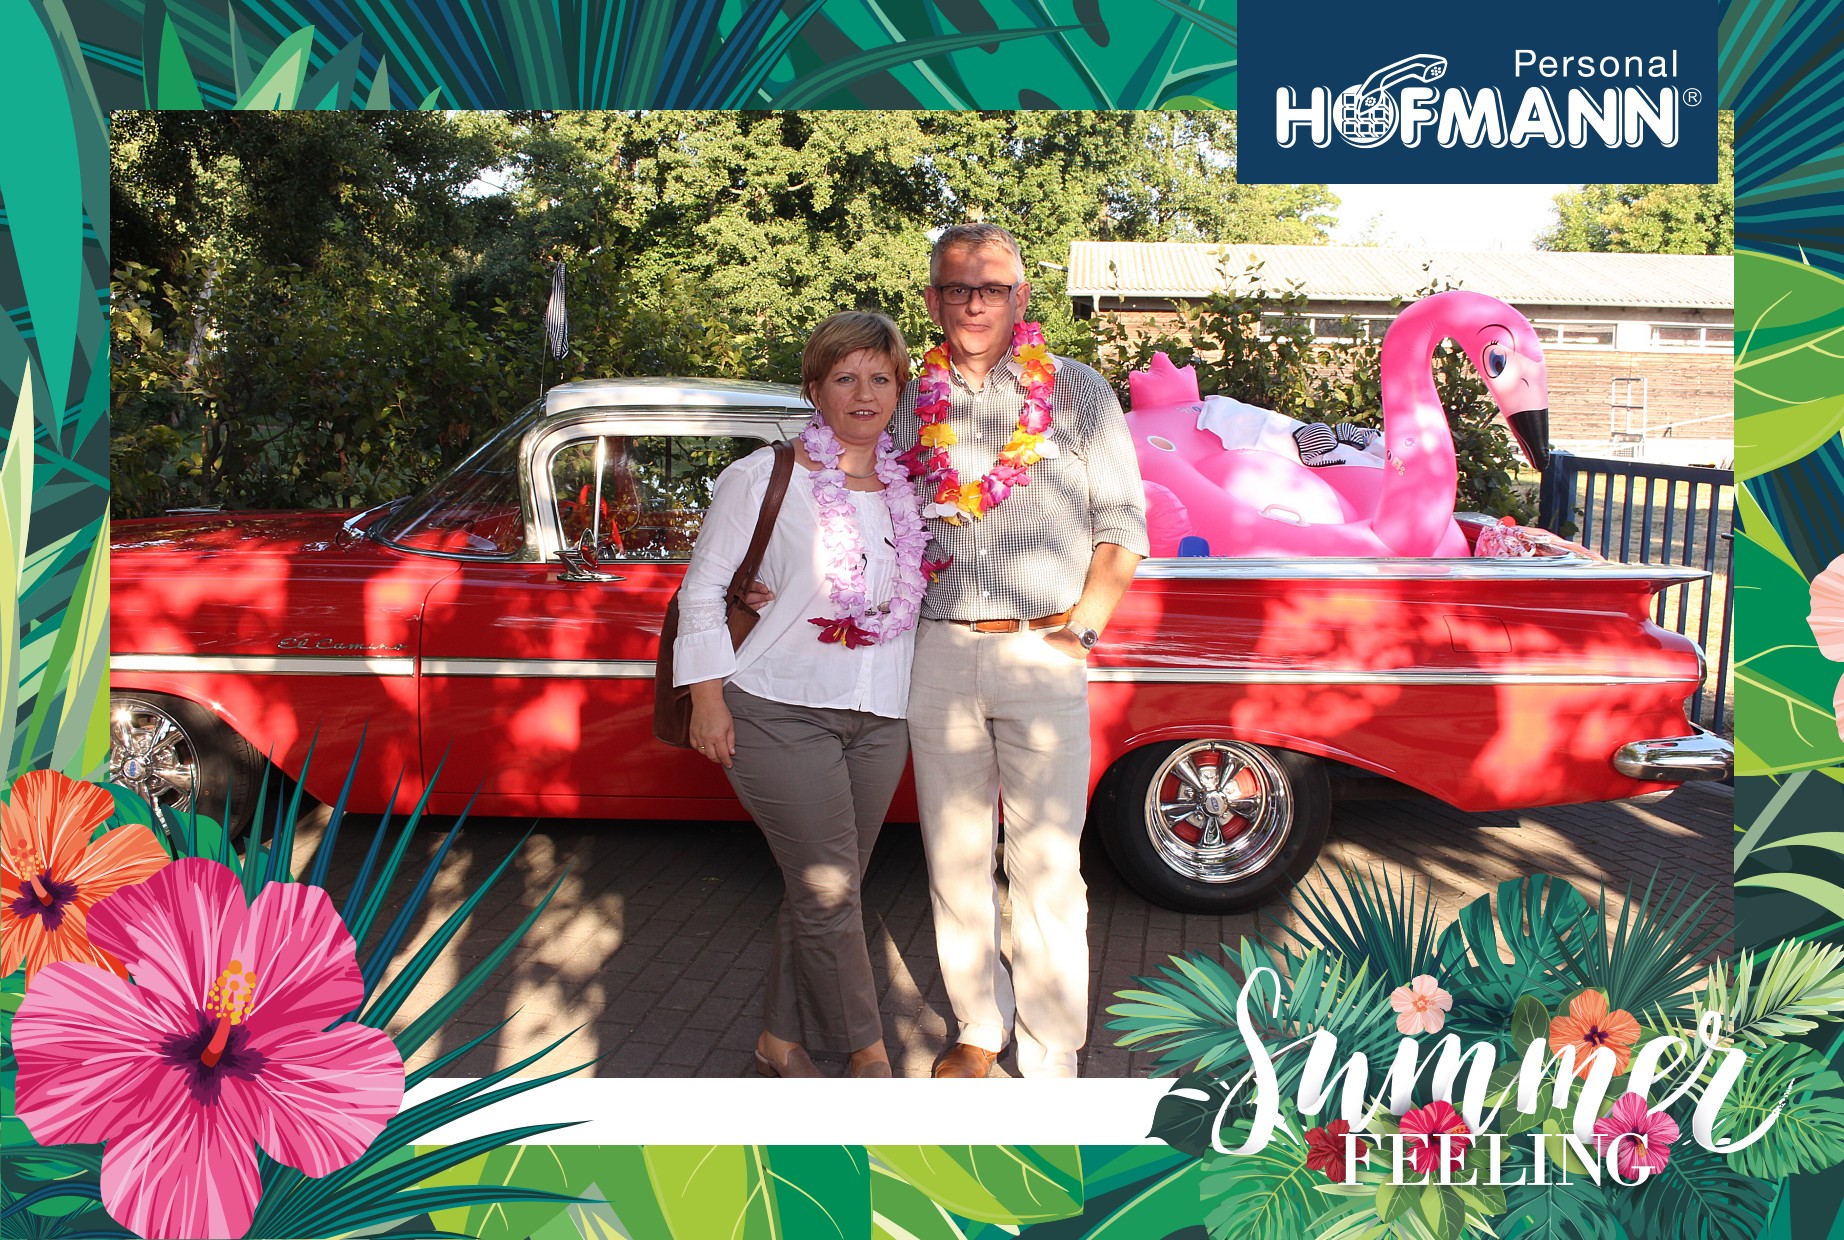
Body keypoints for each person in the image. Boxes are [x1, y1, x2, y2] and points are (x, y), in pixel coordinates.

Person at [892, 224, 1147, 1079]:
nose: (974, 303)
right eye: (956, 287)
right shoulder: (902, 396)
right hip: (938, 650)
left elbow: (1122, 523)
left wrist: (1082, 631)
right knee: (954, 856)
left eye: (992, 288)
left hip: (1045, 648)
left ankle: (1052, 1047)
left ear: (1020, 298)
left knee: (1047, 865)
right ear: (932, 299)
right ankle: (978, 1023)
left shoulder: (1077, 391)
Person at [675, 311, 928, 1078]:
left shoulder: (912, 490)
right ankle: (869, 1057)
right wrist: (706, 699)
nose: (864, 394)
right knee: (828, 893)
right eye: (844, 377)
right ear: (814, 389)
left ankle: (778, 1041)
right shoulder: (764, 478)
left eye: (880, 378)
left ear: (898, 390)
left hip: (880, 714)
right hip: (778, 706)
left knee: (827, 892)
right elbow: (702, 591)